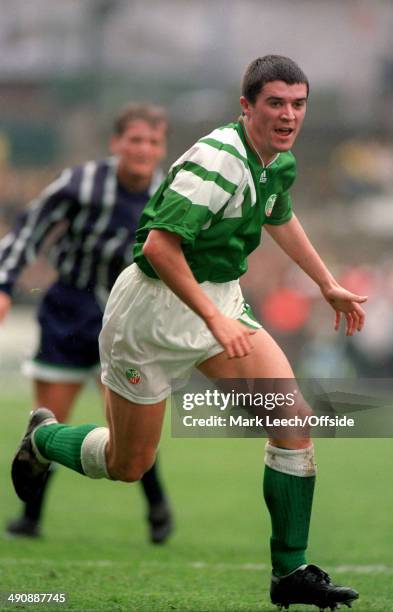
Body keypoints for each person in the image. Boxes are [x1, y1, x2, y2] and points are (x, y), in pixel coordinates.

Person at [12, 56, 366, 609]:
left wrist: (326, 282)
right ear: (246, 107)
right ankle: (41, 438)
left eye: (298, 104)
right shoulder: (219, 159)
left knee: (292, 420)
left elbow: (277, 214)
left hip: (216, 300)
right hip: (151, 314)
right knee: (129, 465)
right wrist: (212, 317)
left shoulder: (277, 160)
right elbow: (157, 245)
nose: (289, 115)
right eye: (275, 103)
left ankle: (290, 572)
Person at [2, 103, 173, 544]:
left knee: (130, 423)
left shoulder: (169, 196)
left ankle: (157, 508)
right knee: (49, 418)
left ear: (162, 147)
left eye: (153, 141)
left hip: (124, 319)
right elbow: (30, 227)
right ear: (117, 143)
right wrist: (4, 284)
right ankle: (31, 517)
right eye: (135, 139)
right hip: (68, 312)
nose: (143, 149)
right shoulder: (81, 183)